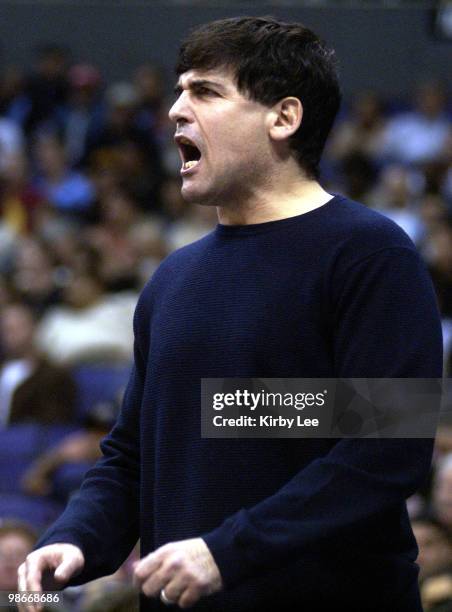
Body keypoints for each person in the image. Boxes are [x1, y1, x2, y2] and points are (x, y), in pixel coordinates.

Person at [18, 16, 442, 611]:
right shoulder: (173, 277)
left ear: (284, 118)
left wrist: (228, 550)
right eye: (178, 89)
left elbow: (384, 452)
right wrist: (77, 537)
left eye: (205, 91)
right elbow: (134, 456)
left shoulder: (368, 254)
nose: (174, 110)